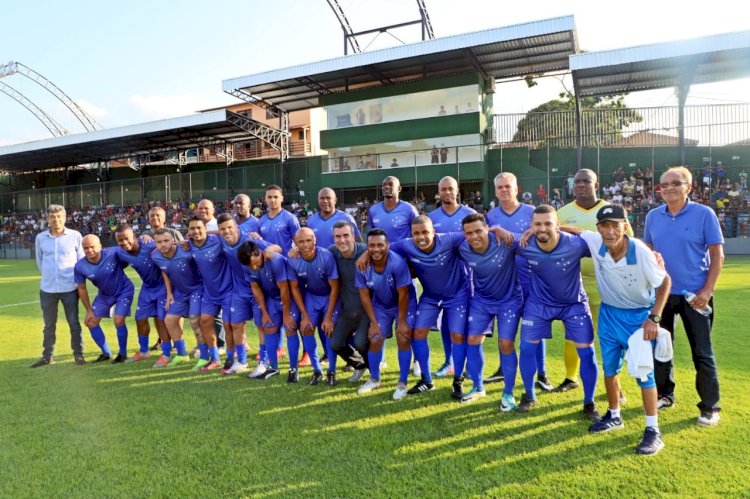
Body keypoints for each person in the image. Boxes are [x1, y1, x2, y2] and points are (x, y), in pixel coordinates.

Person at [562, 204, 671, 455]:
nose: (610, 231)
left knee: (645, 375)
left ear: (625, 226)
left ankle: (653, 430)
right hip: (609, 315)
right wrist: (553, 227)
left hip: (638, 318)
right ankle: (614, 415)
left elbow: (665, 281)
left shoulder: (641, 252)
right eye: (604, 226)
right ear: (598, 228)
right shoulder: (595, 242)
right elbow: (578, 231)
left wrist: (654, 318)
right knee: (610, 369)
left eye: (615, 225)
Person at [643, 166, 724, 427]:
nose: (668, 188)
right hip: (662, 295)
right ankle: (665, 394)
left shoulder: (704, 214)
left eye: (675, 183)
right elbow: (648, 251)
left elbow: (717, 255)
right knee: (661, 349)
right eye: (663, 184)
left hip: (695, 297)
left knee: (702, 352)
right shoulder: (653, 216)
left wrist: (707, 291)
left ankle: (710, 406)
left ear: (688, 187)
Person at [515, 205, 600, 423]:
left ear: (557, 225)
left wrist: (652, 254)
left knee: (587, 353)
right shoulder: (524, 244)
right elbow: (496, 240)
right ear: (531, 226)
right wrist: (496, 230)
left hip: (574, 304)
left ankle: (589, 402)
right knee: (526, 348)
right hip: (539, 303)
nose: (542, 228)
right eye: (537, 224)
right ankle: (529, 395)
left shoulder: (575, 244)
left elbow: (607, 243)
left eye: (548, 224)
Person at [554, 168, 633, 394]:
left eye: (586, 181)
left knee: (610, 336)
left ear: (596, 184)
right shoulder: (562, 213)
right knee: (573, 332)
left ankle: (616, 387)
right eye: (576, 181)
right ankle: (571, 378)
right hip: (573, 285)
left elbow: (629, 242)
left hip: (606, 285)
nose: (580, 185)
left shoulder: (612, 210)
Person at [485, 173, 551, 392]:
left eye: (508, 186)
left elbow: (548, 233)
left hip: (531, 277)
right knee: (506, 326)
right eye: (500, 187)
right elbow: (484, 237)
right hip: (503, 279)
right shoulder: (492, 216)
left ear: (517, 188)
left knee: (535, 325)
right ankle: (504, 368)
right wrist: (494, 229)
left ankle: (541, 373)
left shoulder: (532, 212)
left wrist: (532, 230)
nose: (504, 190)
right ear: (495, 191)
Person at [458, 213, 523, 408]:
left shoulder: (506, 241)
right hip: (482, 300)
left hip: (509, 300)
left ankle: (508, 393)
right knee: (472, 340)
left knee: (505, 344)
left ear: (487, 228)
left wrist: (498, 229)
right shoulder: (462, 247)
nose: (474, 236)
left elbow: (533, 236)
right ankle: (478, 387)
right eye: (469, 233)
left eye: (479, 230)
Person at [355, 228, 417, 399]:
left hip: (403, 304)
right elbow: (365, 297)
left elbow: (403, 295)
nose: (376, 249)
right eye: (372, 246)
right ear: (366, 247)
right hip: (381, 306)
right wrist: (374, 324)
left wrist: (402, 321)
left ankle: (402, 383)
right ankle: (374, 379)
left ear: (387, 245)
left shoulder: (397, 263)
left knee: (403, 336)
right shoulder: (362, 266)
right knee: (375, 338)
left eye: (380, 245)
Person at [428, 176, 476, 378]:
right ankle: (450, 361)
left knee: (463, 324)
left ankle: (465, 364)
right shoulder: (431, 217)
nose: (447, 192)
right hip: (441, 278)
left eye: (450, 189)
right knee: (446, 322)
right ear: (438, 193)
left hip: (466, 276)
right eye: (443, 189)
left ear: (457, 191)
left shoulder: (470, 214)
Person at [285, 228, 340, 385]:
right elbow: (294, 288)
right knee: (307, 328)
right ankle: (317, 370)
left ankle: (331, 370)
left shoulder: (326, 257)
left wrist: (328, 317)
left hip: (330, 296)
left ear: (315, 240)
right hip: (311, 296)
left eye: (308, 240)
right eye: (301, 241)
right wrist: (304, 316)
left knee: (329, 330)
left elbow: (335, 287)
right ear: (296, 243)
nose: (305, 245)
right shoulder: (293, 260)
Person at [32, 204, 85, 367]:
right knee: (48, 324)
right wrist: (49, 276)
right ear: (47, 219)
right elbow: (40, 262)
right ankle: (47, 356)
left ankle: (78, 354)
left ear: (65, 217)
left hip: (69, 288)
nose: (56, 220)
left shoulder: (75, 236)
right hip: (47, 289)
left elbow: (81, 261)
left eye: (59, 216)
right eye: (52, 217)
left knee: (73, 323)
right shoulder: (40, 238)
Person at [239, 240, 297, 380]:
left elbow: (285, 289)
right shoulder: (247, 266)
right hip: (271, 299)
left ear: (260, 253)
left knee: (290, 329)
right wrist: (264, 312)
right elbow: (256, 289)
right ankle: (273, 368)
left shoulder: (275, 260)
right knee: (268, 327)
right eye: (250, 265)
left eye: (256, 262)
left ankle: (293, 369)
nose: (254, 267)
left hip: (289, 297)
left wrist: (286, 313)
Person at [113, 224, 169, 367]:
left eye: (127, 238)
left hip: (162, 286)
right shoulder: (120, 253)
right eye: (120, 240)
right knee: (140, 318)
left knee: (161, 319)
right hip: (147, 287)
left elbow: (169, 248)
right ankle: (144, 351)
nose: (124, 243)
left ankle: (167, 354)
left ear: (133, 235)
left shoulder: (149, 244)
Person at [75, 234, 135, 363]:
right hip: (105, 295)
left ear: (100, 246)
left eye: (92, 247)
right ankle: (106, 353)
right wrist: (89, 310)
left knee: (118, 320)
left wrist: (145, 237)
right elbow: (81, 288)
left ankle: (122, 354)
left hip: (124, 290)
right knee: (90, 321)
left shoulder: (113, 252)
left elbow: (131, 246)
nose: (89, 250)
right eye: (86, 248)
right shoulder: (80, 266)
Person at [184, 215, 232, 372]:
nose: (196, 231)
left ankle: (231, 359)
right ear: (188, 231)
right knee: (204, 321)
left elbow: (231, 235)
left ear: (206, 229)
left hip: (227, 289)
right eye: (192, 228)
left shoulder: (218, 241)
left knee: (229, 325)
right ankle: (215, 358)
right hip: (209, 293)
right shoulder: (189, 245)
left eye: (199, 227)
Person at [325, 222, 370, 386]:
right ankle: (360, 365)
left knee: (360, 342)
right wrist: (295, 250)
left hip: (367, 310)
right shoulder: (331, 252)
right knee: (336, 343)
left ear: (353, 236)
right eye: (338, 236)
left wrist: (368, 253)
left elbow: (387, 249)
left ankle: (375, 374)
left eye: (345, 235)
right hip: (348, 309)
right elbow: (313, 253)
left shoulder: (366, 250)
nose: (342, 240)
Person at [151, 228, 203, 366]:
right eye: (159, 242)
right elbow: (165, 272)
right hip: (179, 293)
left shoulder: (186, 251)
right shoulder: (155, 256)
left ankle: (205, 354)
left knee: (194, 321)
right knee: (169, 320)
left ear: (173, 240)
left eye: (166, 241)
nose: (163, 245)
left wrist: (185, 242)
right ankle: (182, 354)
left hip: (197, 290)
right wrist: (169, 293)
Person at [368, 176, 419, 243]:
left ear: (399, 189)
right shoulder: (373, 210)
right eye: (384, 185)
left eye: (391, 184)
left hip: (403, 253)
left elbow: (418, 234)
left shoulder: (409, 209)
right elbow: (371, 236)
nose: (386, 187)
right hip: (381, 253)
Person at [258, 185, 301, 254]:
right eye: (269, 197)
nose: (272, 200)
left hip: (285, 262)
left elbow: (299, 242)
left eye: (275, 197)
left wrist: (296, 251)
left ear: (282, 198)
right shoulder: (261, 221)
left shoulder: (290, 218)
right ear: (265, 199)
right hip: (267, 262)